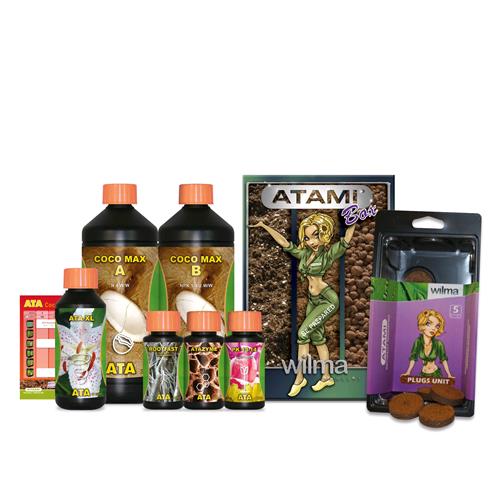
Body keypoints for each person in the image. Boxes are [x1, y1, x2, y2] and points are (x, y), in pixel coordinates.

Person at [250, 213, 355, 397]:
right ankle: (326, 377)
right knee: (318, 339)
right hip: (312, 300)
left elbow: (346, 239)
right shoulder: (305, 254)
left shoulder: (328, 254)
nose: (311, 241)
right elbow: (284, 243)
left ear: (324, 235)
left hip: (327, 300)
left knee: (303, 333)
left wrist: (355, 219)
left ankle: (299, 379)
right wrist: (264, 226)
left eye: (316, 236)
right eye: (307, 238)